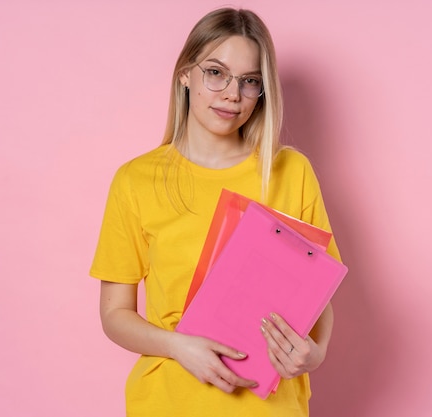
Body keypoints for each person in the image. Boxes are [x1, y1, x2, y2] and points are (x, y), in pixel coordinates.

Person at [90, 7, 342, 417]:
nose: (232, 94)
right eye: (215, 73)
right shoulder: (135, 180)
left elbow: (321, 291)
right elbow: (115, 314)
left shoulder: (288, 172)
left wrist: (315, 354)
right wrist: (178, 346)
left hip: (271, 407)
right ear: (185, 74)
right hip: (169, 402)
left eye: (250, 81)